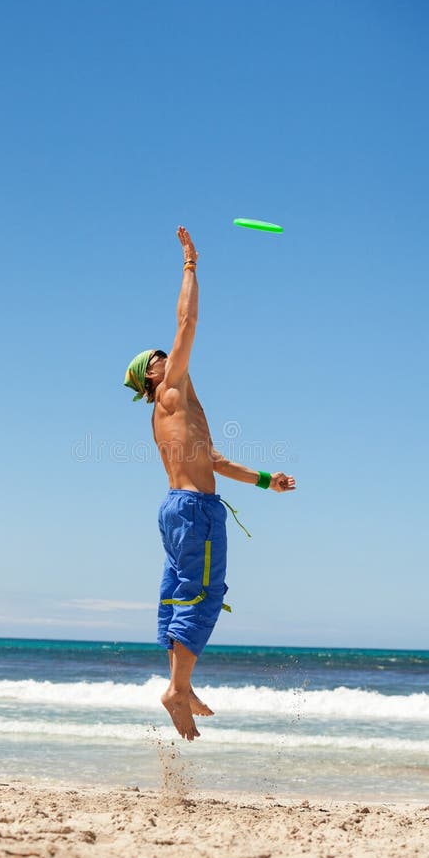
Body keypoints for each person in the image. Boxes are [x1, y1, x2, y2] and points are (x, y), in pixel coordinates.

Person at [124, 226, 296, 741]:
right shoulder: (170, 392)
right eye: (158, 359)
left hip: (185, 506)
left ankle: (181, 684)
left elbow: (214, 461)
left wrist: (266, 480)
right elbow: (187, 319)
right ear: (152, 378)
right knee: (204, 592)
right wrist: (190, 266)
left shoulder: (177, 409)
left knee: (183, 594)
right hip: (193, 511)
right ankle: (178, 689)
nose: (167, 355)